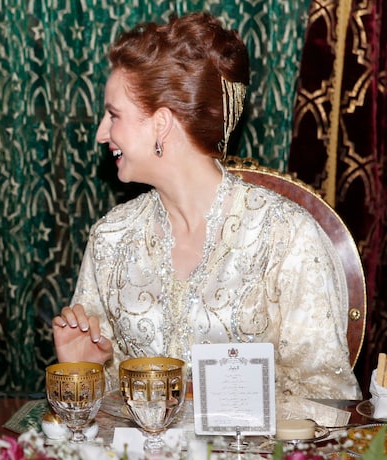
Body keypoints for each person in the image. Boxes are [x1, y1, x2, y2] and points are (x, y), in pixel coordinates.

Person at [52, 12, 361, 401]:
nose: (101, 133)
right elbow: (105, 418)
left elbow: (328, 398)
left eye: (113, 115)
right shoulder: (111, 239)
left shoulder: (286, 237)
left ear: (161, 123)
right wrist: (86, 370)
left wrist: (210, 399)